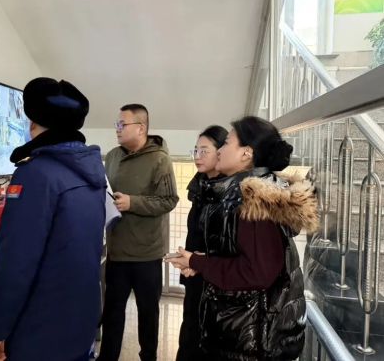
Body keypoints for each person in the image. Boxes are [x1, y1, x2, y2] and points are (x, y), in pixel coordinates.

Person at [166, 116, 318, 361]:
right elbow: (250, 255)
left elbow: (256, 272)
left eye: (226, 143)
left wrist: (198, 262)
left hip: (250, 337)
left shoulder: (254, 199)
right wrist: (203, 261)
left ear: (247, 153)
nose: (219, 151)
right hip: (249, 328)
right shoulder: (257, 191)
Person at [0, 78, 106, 361]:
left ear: (33, 125)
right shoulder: (93, 171)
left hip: (40, 329)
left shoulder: (35, 174)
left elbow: (16, 261)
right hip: (80, 321)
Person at [98, 104, 179, 361]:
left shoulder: (160, 159)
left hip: (147, 254)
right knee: (112, 312)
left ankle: (149, 357)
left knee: (148, 314)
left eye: (122, 124)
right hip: (117, 250)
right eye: (117, 124)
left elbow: (169, 200)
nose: (117, 129)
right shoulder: (112, 156)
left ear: (141, 128)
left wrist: (132, 203)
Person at [176, 125, 228, 361]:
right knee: (189, 334)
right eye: (195, 150)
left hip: (218, 283)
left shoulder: (231, 193)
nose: (197, 156)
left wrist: (200, 262)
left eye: (204, 151)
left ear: (222, 151)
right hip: (196, 277)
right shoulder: (200, 187)